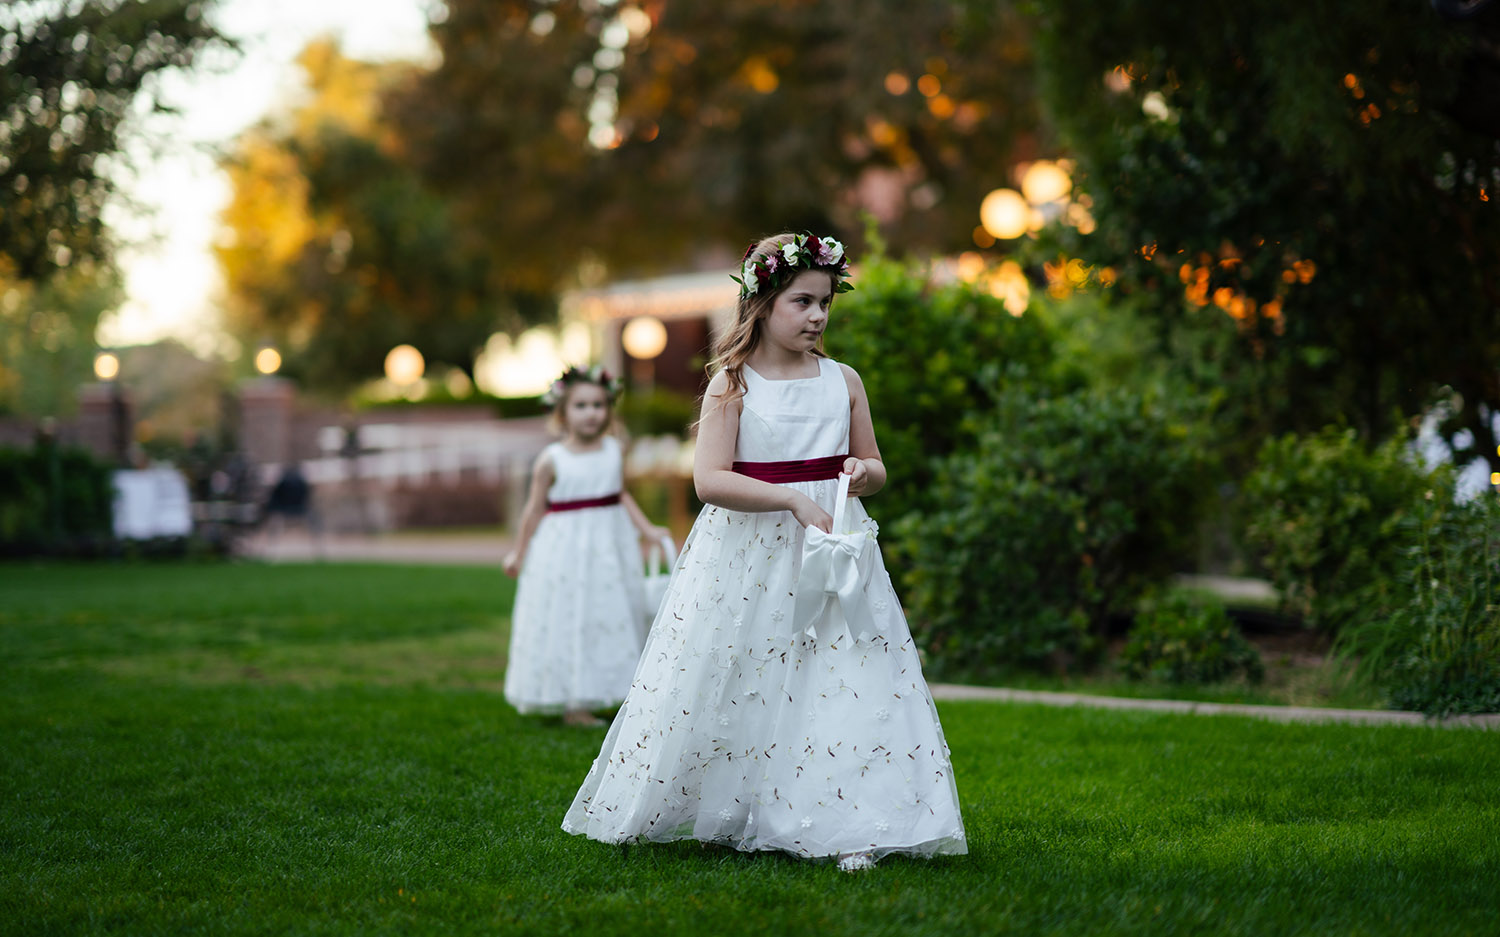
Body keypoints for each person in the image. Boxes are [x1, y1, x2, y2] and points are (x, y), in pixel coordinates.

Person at [562, 233, 966, 871]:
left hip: (835, 545)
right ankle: (734, 801)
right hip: (750, 553)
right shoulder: (733, 384)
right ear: (764, 302)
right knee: (744, 671)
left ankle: (848, 818)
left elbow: (877, 463)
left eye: (825, 304)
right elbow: (710, 481)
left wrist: (863, 473)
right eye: (802, 302)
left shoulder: (844, 381)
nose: (817, 316)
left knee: (842, 672)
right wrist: (790, 501)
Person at [503, 365, 669, 727]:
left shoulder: (614, 449)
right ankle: (574, 703)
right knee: (573, 614)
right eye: (581, 405)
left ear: (608, 410)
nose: (591, 412)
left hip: (610, 544)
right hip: (566, 547)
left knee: (611, 612)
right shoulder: (551, 460)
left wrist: (646, 529)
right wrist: (519, 551)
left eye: (598, 405)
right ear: (562, 412)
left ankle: (620, 690)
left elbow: (619, 493)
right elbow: (533, 509)